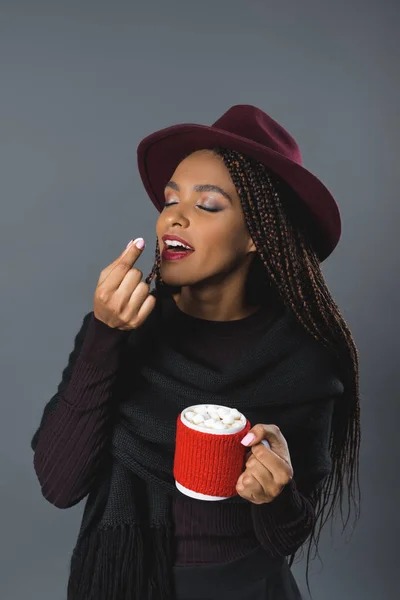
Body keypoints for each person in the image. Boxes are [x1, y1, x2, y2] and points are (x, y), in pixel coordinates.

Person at [30, 105, 361, 600]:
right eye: (169, 200)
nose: (173, 218)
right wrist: (103, 336)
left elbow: (289, 534)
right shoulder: (123, 328)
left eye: (206, 206)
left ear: (256, 235)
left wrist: (276, 496)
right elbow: (60, 486)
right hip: (123, 581)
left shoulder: (304, 361)